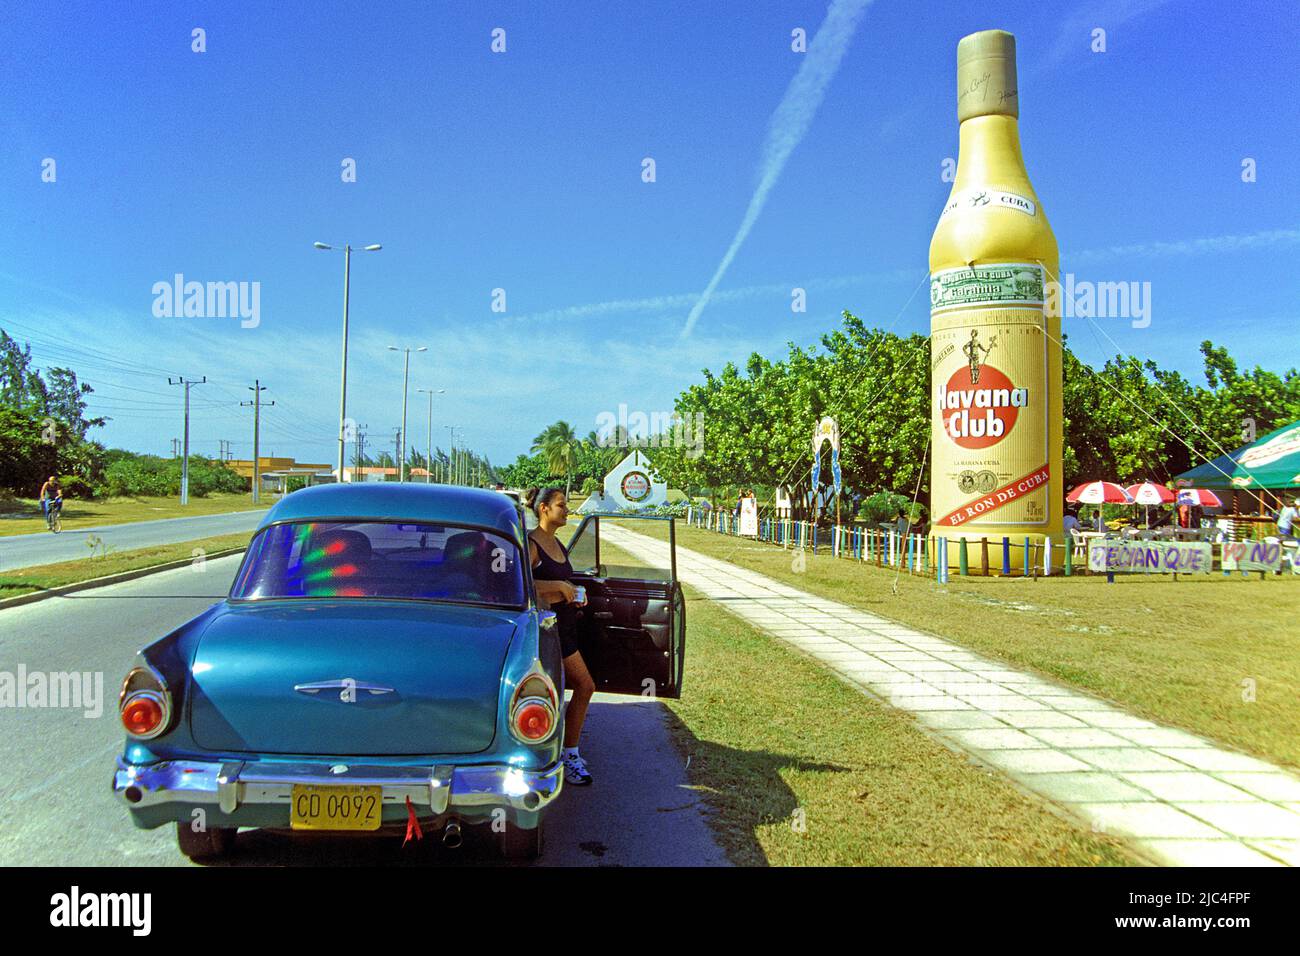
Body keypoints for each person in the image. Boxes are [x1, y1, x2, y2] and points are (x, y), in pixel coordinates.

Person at [524, 487, 594, 785]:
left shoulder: (558, 544)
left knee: (564, 689)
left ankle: (559, 751)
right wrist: (558, 587)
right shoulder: (531, 544)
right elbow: (521, 587)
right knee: (585, 685)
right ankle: (569, 755)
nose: (566, 510)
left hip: (565, 624)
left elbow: (559, 583)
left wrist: (572, 593)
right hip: (546, 629)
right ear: (543, 509)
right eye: (561, 505)